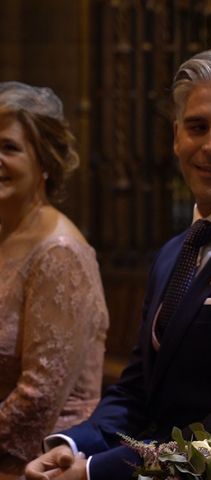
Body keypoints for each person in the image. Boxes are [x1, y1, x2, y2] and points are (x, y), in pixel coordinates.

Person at [25, 46, 211, 480]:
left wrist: (94, 472)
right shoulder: (175, 250)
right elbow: (139, 387)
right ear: (177, 136)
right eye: (198, 127)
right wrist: (74, 445)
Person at [0, 82, 109, 478]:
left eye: (9, 148)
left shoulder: (58, 251)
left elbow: (40, 396)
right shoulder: (5, 234)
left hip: (43, 464)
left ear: (43, 160)